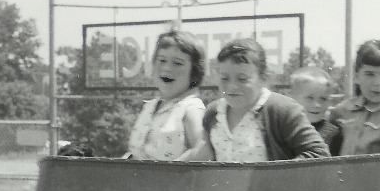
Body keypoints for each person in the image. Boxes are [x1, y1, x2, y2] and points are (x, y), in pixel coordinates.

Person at [180, 38, 330, 162]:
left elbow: (318, 153)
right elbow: (201, 154)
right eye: (224, 78)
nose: (232, 86)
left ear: (262, 77)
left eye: (242, 79)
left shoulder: (281, 109)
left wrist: (274, 177)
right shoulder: (213, 112)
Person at [125, 29, 206, 160]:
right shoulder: (150, 106)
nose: (167, 68)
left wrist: (171, 172)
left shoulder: (191, 108)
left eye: (178, 63)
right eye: (162, 60)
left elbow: (203, 151)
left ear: (194, 72)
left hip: (170, 180)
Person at [290, 66, 343, 156]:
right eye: (310, 98)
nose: (317, 105)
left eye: (323, 99)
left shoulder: (333, 134)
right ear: (293, 98)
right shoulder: (285, 128)